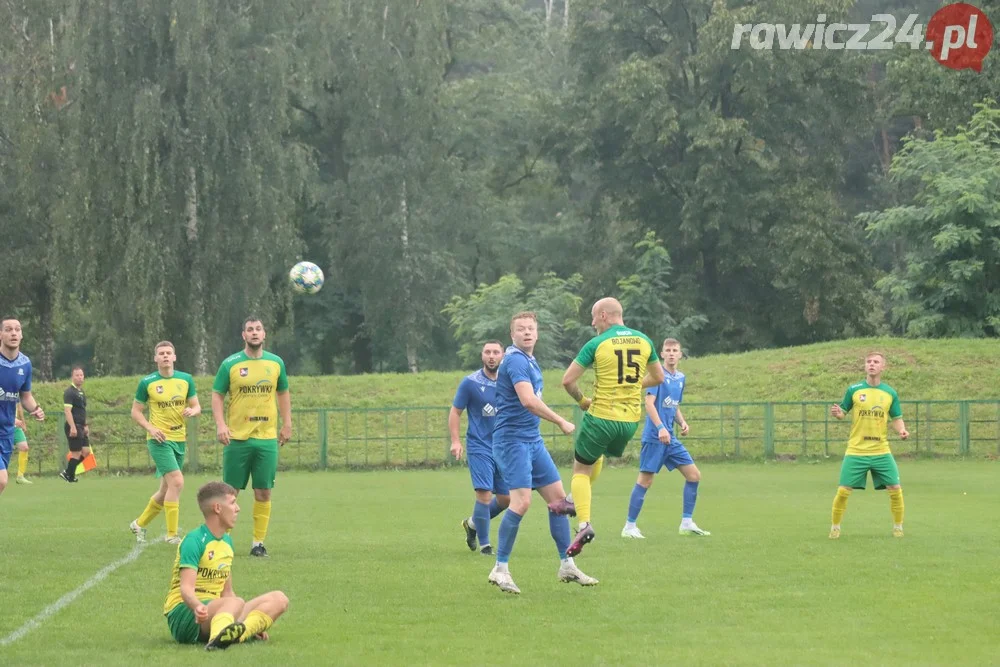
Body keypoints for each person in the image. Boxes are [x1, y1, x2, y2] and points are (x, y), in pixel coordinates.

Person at [487, 311, 597, 594]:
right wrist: (560, 420)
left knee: (559, 503)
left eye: (531, 328)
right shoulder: (513, 360)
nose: (526, 332)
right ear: (512, 335)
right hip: (511, 441)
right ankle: (500, 569)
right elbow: (527, 400)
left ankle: (567, 565)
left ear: (537, 333)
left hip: (531, 441)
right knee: (521, 503)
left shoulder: (530, 361)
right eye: (521, 329)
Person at [560, 297, 663, 557]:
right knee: (598, 454)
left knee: (580, 469)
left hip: (602, 416)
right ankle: (573, 500)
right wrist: (632, 386)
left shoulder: (596, 343)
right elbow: (659, 377)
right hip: (629, 422)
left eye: (594, 317)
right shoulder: (644, 340)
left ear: (604, 315)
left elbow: (568, 381)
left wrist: (582, 401)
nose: (592, 322)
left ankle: (583, 523)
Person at [163, 481, 289, 650]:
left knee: (279, 599)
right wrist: (197, 606)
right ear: (217, 508)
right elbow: (186, 588)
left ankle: (239, 633)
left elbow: (227, 591)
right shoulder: (194, 540)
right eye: (232, 503)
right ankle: (217, 639)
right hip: (186, 613)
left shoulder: (227, 542)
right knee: (234, 603)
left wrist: (244, 618)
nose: (237, 508)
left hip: (218, 611)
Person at [212, 317, 292, 557]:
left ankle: (258, 544)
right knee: (230, 492)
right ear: (243, 335)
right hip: (237, 439)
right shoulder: (231, 364)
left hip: (266, 438)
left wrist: (287, 423)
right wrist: (221, 425)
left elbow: (283, 392)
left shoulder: (276, 363)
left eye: (258, 329)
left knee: (263, 491)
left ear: (264, 334)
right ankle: (222, 540)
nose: (254, 333)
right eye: (250, 329)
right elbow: (217, 395)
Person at [622, 338, 709, 539]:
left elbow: (673, 404)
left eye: (675, 350)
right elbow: (649, 404)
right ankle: (629, 527)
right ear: (662, 354)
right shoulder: (656, 376)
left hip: (671, 439)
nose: (671, 353)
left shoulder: (680, 378)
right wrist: (661, 428)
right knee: (645, 481)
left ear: (680, 354)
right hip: (655, 437)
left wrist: (682, 422)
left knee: (694, 475)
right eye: (667, 350)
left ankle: (687, 523)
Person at [829, 351, 909, 539]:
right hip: (856, 451)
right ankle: (835, 527)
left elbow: (896, 418)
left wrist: (902, 430)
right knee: (842, 491)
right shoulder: (854, 390)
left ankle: (898, 527)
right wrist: (837, 413)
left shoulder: (890, 393)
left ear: (883, 367)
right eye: (869, 362)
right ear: (865, 366)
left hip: (881, 450)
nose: (872, 364)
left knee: (895, 489)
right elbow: (843, 412)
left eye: (876, 362)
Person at [129, 341, 201, 544]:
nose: (165, 356)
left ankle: (139, 524)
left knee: (165, 490)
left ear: (175, 357)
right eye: (161, 353)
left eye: (169, 352)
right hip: (159, 440)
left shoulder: (186, 379)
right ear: (156, 358)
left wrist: (192, 411)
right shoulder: (147, 382)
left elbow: (196, 406)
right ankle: (172, 535)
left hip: (180, 440)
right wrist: (151, 428)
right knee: (177, 482)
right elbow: (136, 412)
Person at [449, 341, 509, 556]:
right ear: (482, 355)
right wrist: (456, 441)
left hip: (503, 447)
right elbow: (455, 412)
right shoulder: (470, 383)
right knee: (483, 495)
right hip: (479, 446)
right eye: (487, 352)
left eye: (496, 352)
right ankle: (485, 545)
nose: (491, 356)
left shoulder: (509, 381)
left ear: (503, 355)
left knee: (506, 500)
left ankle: (472, 524)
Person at [0, 317, 45, 498]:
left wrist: (35, 409)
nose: (13, 333)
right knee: (1, 479)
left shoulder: (25, 364)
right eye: (9, 329)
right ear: (0, 335)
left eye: (17, 329)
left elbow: (25, 396)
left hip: (6, 432)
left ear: (21, 335)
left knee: (1, 483)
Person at [59, 365, 89, 482]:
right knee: (76, 453)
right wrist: (72, 427)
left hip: (81, 425)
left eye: (81, 375)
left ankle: (68, 473)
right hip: (74, 425)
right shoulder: (69, 392)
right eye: (77, 375)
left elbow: (82, 410)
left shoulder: (81, 392)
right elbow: (67, 411)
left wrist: (85, 425)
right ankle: (69, 475)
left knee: (85, 452)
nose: (80, 378)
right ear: (72, 377)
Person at [13, 404, 32, 485]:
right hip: (4, 425)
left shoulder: (16, 392)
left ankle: (20, 476)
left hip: (15, 426)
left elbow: (19, 407)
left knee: (24, 447)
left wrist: (23, 422)